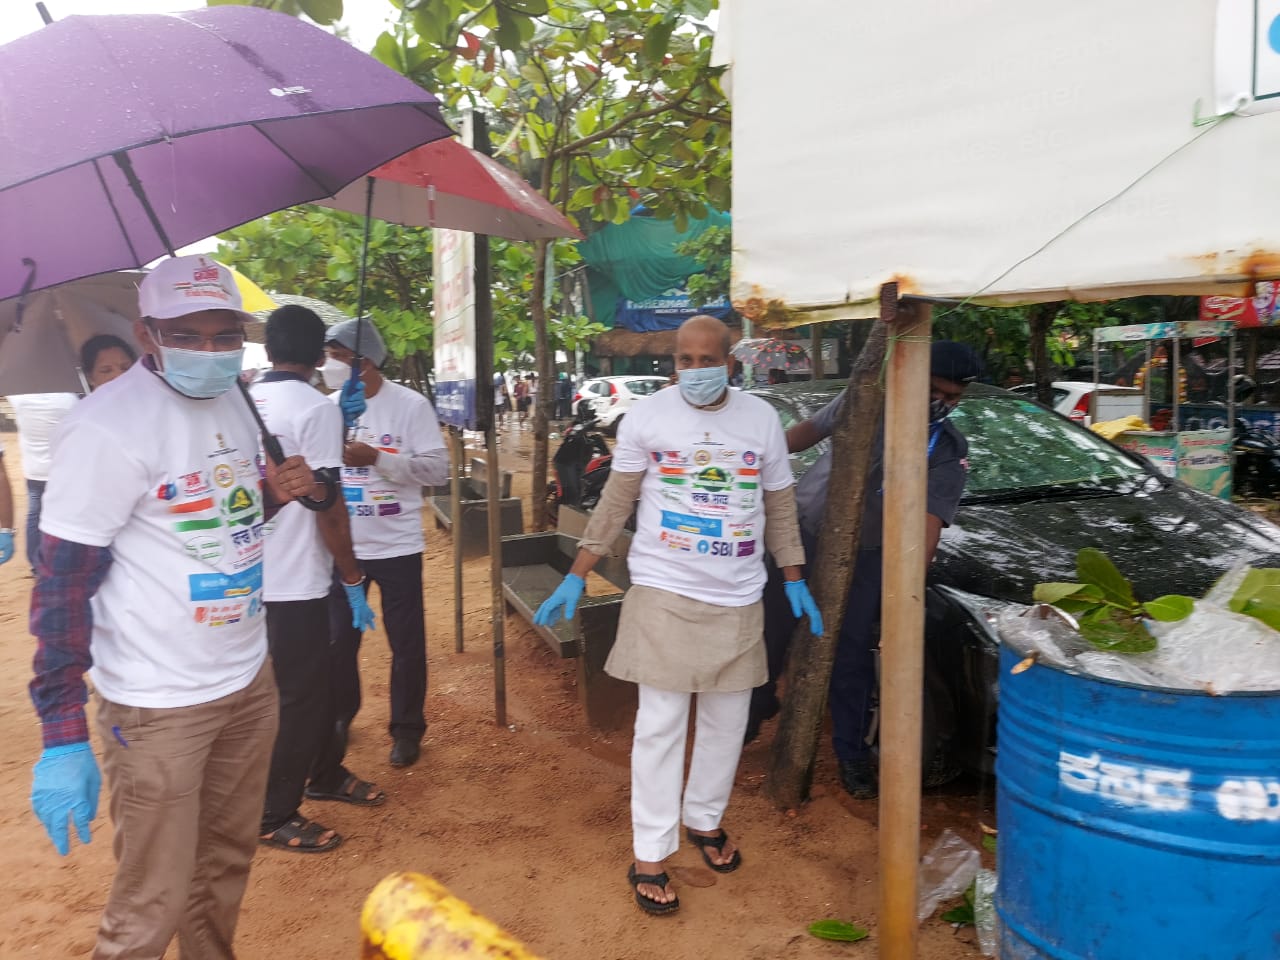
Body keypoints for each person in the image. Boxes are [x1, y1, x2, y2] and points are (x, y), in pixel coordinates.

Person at [28, 254, 319, 957]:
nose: (210, 351)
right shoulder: (106, 428)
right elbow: (62, 586)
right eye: (188, 335)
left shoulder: (238, 401)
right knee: (151, 900)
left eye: (226, 336)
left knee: (222, 868)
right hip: (157, 705)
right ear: (147, 333)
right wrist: (62, 732)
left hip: (247, 679)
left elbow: (222, 525)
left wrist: (274, 496)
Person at [534, 314, 823, 917]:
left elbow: (778, 505)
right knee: (660, 724)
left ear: (730, 363)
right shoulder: (648, 417)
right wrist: (578, 572)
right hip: (664, 589)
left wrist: (793, 575)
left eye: (705, 360)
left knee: (726, 720)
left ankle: (704, 820)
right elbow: (617, 500)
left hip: (738, 593)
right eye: (683, 360)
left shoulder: (760, 420)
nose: (693, 370)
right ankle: (649, 852)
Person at [749, 340, 983, 800]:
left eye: (953, 397)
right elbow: (806, 432)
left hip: (869, 555)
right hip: (801, 535)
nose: (942, 403)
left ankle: (852, 754)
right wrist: (747, 464)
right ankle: (758, 705)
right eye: (935, 391)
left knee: (851, 652)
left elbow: (929, 526)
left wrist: (906, 596)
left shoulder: (946, 449)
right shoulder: (864, 400)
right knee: (769, 630)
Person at [252, 305, 383, 854]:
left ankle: (326, 772)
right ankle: (273, 812)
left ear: (268, 350)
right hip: (296, 577)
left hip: (249, 575)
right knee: (302, 696)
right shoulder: (313, 409)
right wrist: (351, 576)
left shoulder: (244, 400)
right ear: (316, 356)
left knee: (317, 684)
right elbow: (329, 506)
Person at [314, 318, 448, 771]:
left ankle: (407, 729)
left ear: (365, 362)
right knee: (338, 641)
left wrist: (378, 458)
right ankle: (339, 716)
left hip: (397, 547)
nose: (330, 365)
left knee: (406, 644)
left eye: (338, 357)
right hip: (343, 548)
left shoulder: (410, 406)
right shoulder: (327, 409)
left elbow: (437, 470)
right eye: (329, 356)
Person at [8, 393, 77, 572]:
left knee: (34, 515)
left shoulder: (20, 399)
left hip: (34, 470)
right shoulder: (68, 399)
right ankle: (60, 561)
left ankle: (35, 562)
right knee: (64, 517)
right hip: (62, 470)